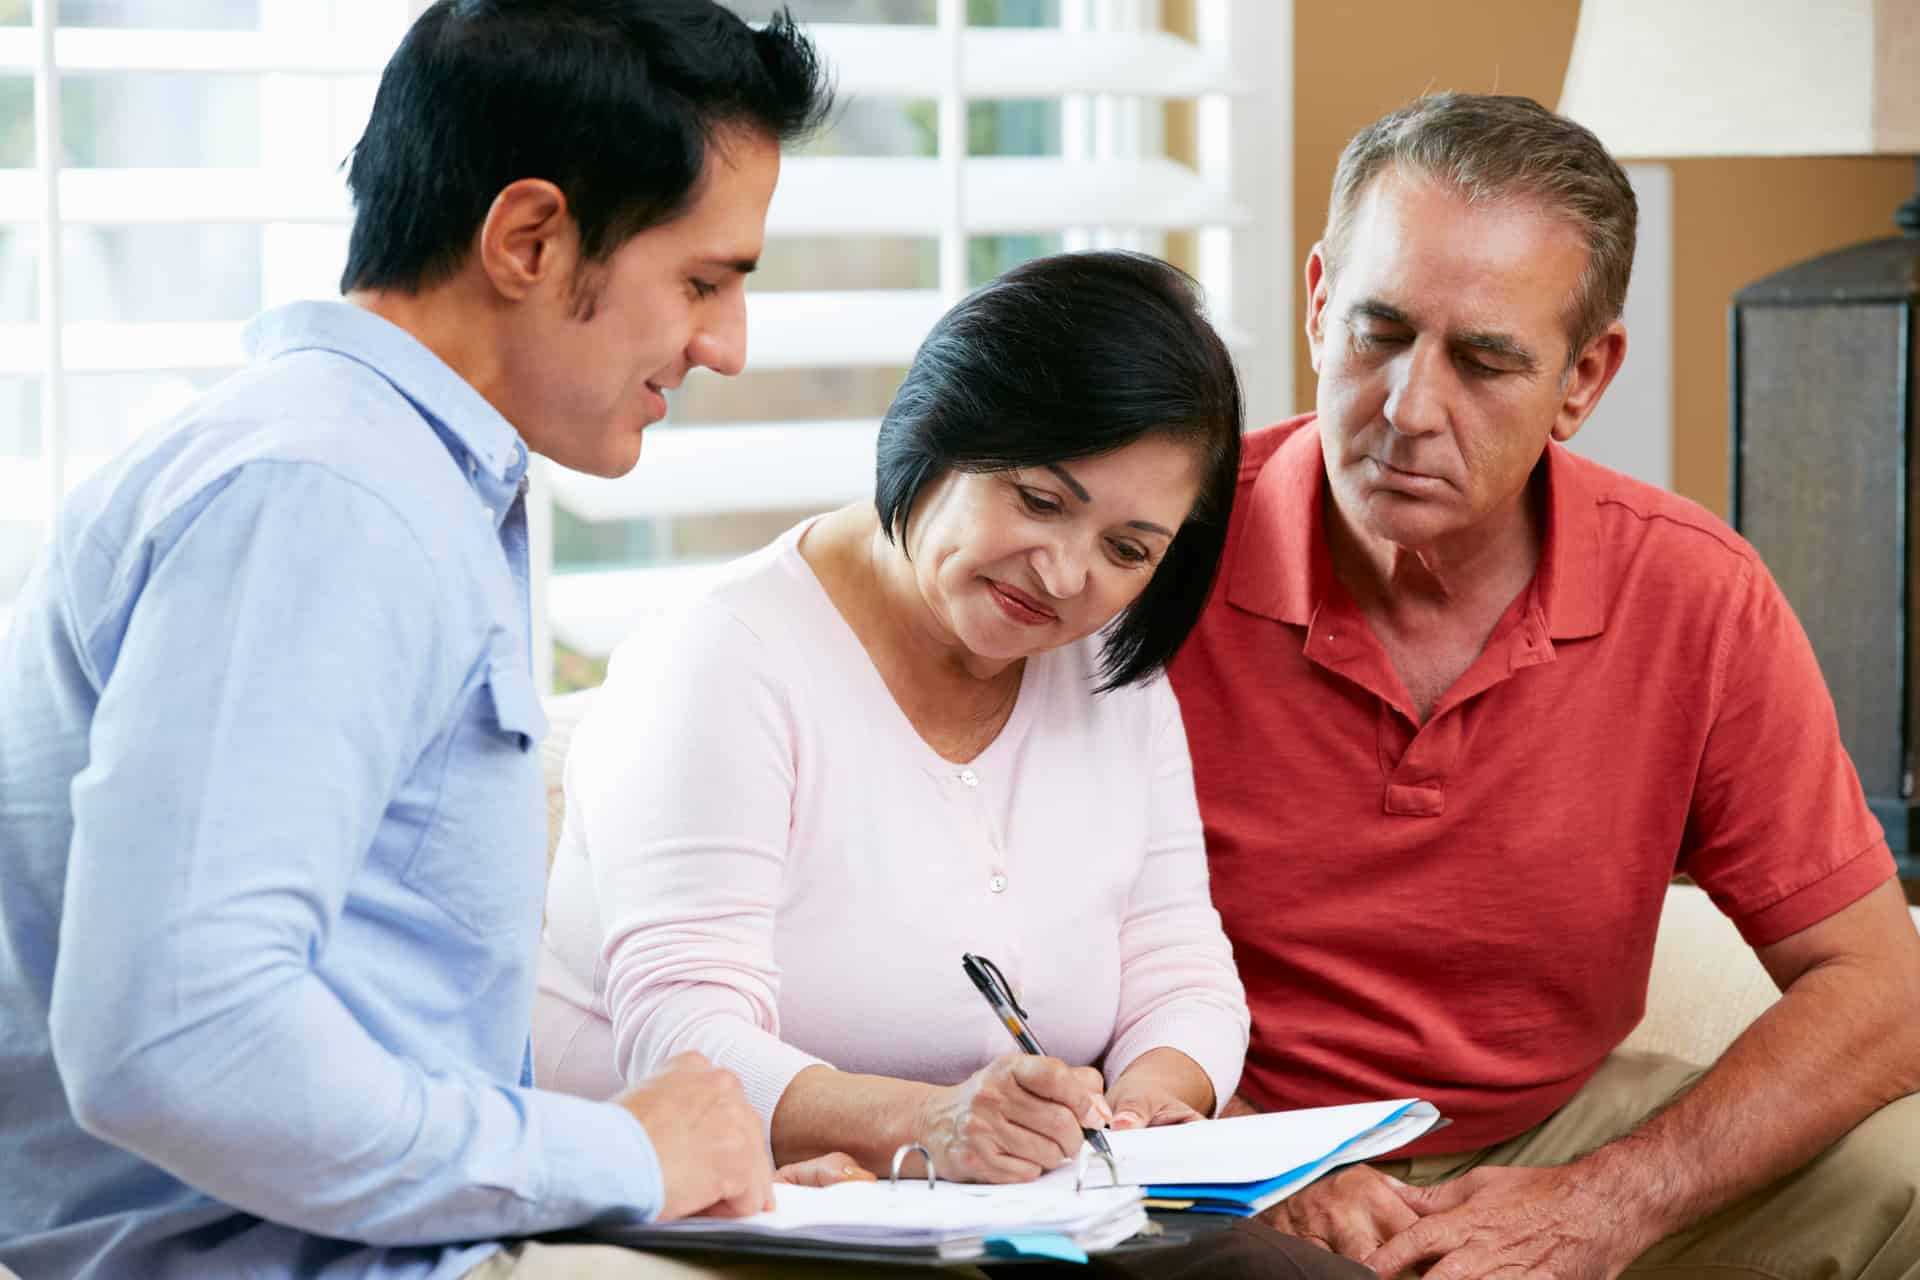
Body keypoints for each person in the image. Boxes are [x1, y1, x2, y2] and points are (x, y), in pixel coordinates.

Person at [0, 3, 883, 1277]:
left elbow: (364, 1015)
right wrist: (624, 1159)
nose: (727, 349)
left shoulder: (388, 476)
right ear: (529, 237)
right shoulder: (330, 500)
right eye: (701, 280)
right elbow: (174, 1038)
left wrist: (657, 1166)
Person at [1168, 91, 1920, 1279]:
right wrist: (1248, 1160)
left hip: (1555, 1134)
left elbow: (1882, 986)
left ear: (1584, 376)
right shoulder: (1152, 549)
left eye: (1484, 361)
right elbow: (993, 944)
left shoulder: (1695, 593)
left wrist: (1610, 1199)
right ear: (1318, 299)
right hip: (1211, 1144)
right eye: (1378, 331)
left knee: (1909, 1177)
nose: (1410, 410)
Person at [535, 251, 1368, 1279]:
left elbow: (1178, 956)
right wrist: (934, 1120)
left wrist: (1155, 1098)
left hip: (1018, 1200)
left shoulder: (1112, 672)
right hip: (759, 1199)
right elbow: (681, 1037)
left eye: (1128, 548)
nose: (1065, 575)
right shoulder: (725, 658)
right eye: (1039, 499)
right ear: (941, 428)